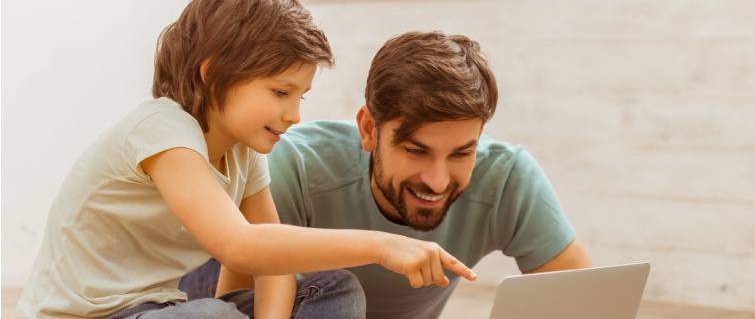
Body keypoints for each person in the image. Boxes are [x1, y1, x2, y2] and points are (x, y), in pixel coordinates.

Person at [17, 0, 475, 319]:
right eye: (280, 92)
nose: (295, 114)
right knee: (214, 315)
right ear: (213, 74)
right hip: (87, 315)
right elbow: (239, 247)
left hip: (159, 309)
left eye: (301, 96)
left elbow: (272, 264)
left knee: (335, 289)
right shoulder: (162, 129)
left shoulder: (243, 153)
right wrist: (381, 245)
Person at [181, 30, 593, 318]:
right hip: (213, 280)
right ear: (369, 130)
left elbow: (587, 302)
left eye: (462, 153)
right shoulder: (293, 166)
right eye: (416, 151)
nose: (437, 180)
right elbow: (241, 304)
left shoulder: (508, 178)